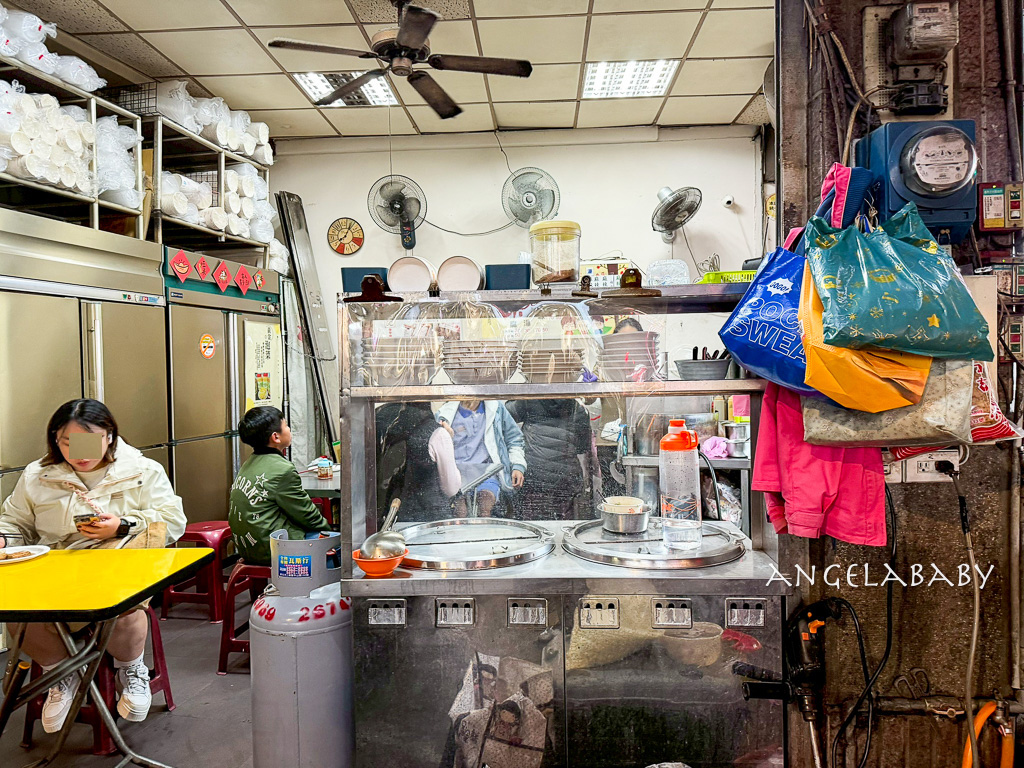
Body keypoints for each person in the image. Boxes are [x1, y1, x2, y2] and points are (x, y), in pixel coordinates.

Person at [0, 399, 186, 733]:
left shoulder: (142, 471)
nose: (78, 452)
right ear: (54, 440)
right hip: (59, 570)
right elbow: (15, 524)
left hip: (119, 565)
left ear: (110, 436)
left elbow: (173, 521)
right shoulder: (37, 476)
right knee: (17, 614)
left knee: (125, 605)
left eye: (88, 441)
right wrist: (4, 539)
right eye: (66, 442)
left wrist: (122, 525)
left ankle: (130, 669)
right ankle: (63, 672)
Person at [229, 406, 331, 565]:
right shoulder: (283, 470)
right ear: (276, 437)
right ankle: (316, 589)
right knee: (339, 546)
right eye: (286, 425)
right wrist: (329, 532)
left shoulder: (249, 463)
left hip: (247, 548)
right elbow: (305, 513)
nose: (289, 429)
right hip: (271, 548)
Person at [507, 398, 597, 520]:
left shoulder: (528, 401)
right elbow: (582, 448)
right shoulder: (578, 409)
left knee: (534, 525)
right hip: (565, 479)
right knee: (563, 527)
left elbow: (504, 416)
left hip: (534, 477)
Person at [436, 399, 526, 517]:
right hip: (456, 475)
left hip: (487, 472)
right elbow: (435, 449)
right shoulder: (445, 414)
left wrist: (517, 465)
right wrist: (445, 435)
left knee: (485, 506)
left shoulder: (496, 408)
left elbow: (514, 438)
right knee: (460, 512)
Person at [376, 402, 463, 523]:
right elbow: (451, 488)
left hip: (388, 518)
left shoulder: (384, 423)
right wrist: (447, 441)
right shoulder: (438, 434)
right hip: (428, 522)